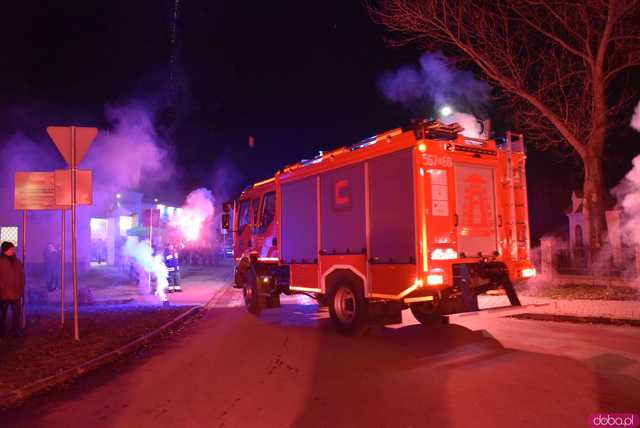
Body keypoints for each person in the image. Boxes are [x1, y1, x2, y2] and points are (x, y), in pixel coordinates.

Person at [0, 241, 25, 338]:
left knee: (17, 313)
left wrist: (22, 286)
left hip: (16, 292)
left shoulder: (17, 261)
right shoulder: (1, 261)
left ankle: (16, 330)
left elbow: (21, 274)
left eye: (13, 248)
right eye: (11, 248)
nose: (13, 250)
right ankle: (2, 331)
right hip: (4, 293)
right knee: (3, 314)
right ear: (6, 250)